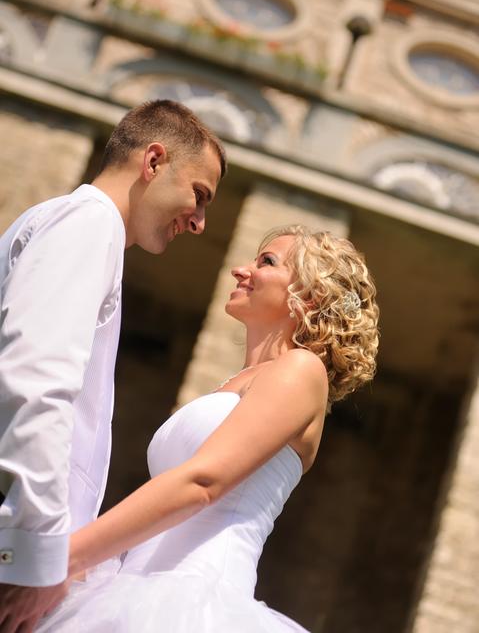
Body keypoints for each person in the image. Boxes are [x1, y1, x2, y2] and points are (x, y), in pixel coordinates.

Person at [35, 224, 379, 632]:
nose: (241, 269)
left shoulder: (302, 370)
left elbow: (203, 482)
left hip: (196, 603)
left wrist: (67, 556)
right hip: (128, 591)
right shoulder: (236, 384)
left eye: (266, 262)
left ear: (309, 296)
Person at [0, 99, 226, 633]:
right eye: (199, 195)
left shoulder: (81, 226)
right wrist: (36, 555)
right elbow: (36, 383)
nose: (199, 223)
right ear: (153, 161)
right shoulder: (89, 222)